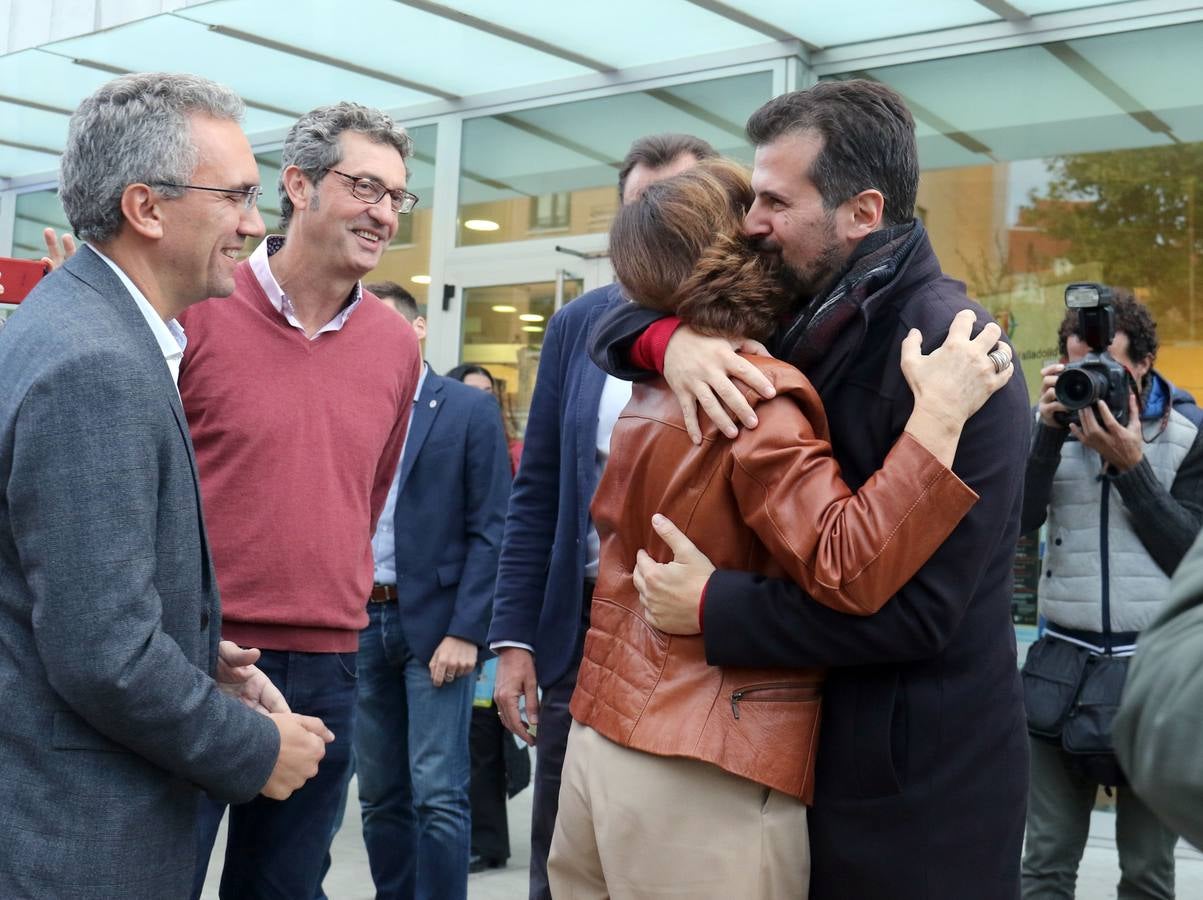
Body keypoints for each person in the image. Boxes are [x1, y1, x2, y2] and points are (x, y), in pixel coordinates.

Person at [589, 81, 1032, 899]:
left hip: (915, 798)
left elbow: (924, 616)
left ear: (860, 213)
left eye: (773, 200)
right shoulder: (803, 299)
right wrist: (671, 339)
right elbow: (612, 313)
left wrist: (717, 608)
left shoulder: (958, 359)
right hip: (798, 761)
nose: (751, 223)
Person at [0, 72, 331, 899]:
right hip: (81, 837)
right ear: (146, 209)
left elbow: (62, 588)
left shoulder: (85, 328)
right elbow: (102, 654)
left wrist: (196, 660)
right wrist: (254, 750)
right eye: (238, 197)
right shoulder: (96, 364)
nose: (256, 227)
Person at [185, 103, 423, 899]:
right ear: (297, 186)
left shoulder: (395, 346)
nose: (384, 213)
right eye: (365, 187)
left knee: (283, 887)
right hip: (198, 656)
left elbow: (368, 489)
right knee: (156, 870)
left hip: (327, 662)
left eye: (397, 196)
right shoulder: (198, 308)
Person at [486, 132, 718, 900]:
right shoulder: (579, 323)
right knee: (564, 850)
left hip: (703, 636)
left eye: (672, 207)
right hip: (584, 627)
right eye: (634, 212)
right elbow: (538, 490)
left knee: (666, 847)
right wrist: (514, 639)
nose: (648, 230)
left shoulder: (751, 323)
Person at [1019, 292, 1202, 899]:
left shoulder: (1188, 434)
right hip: (1059, 674)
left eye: (1109, 370)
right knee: (1044, 865)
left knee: (1148, 874)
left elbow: (1189, 559)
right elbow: (1014, 526)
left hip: (1148, 680)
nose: (1090, 383)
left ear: (1145, 364)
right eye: (1077, 369)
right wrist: (1046, 436)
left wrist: (1132, 465)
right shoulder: (1054, 425)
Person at [346, 281, 510, 900]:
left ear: (417, 330)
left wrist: (468, 631)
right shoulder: (353, 400)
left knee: (438, 792)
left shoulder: (465, 409)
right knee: (381, 794)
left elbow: (492, 528)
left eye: (385, 325)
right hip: (361, 622)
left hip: (440, 629)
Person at [1114, 529, 1203, 851]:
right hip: (1064, 662)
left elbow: (1178, 756)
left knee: (1147, 866)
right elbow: (1025, 520)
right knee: (1048, 856)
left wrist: (1135, 480)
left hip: (1156, 666)